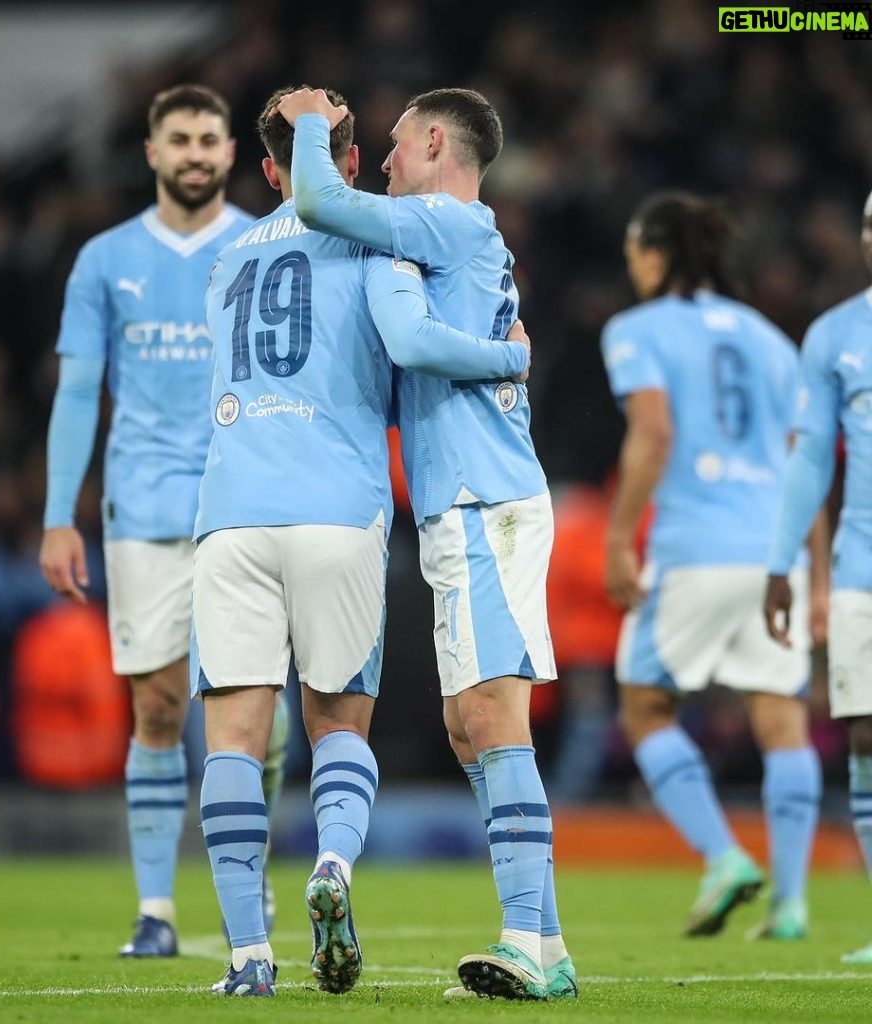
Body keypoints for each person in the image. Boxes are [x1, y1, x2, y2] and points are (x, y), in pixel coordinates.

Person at [197, 85, 532, 999]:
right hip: (337, 509)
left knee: (232, 732)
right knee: (338, 723)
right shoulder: (380, 238)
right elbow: (407, 358)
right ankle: (334, 867)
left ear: (267, 171)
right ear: (345, 165)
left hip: (228, 512)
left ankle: (245, 956)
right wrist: (511, 355)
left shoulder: (225, 262)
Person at [280, 86, 576, 1002]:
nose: (389, 161)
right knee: (464, 723)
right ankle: (551, 946)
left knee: (491, 713)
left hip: (487, 501)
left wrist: (305, 125)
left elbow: (321, 204)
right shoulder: (447, 236)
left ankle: (524, 938)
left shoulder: (449, 220)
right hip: (461, 506)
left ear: (436, 140)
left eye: (399, 145)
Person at [38, 84, 290, 958]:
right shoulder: (105, 260)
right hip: (142, 503)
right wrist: (56, 515)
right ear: (151, 152)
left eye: (208, 139)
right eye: (177, 138)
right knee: (157, 704)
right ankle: (156, 909)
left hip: (245, 501)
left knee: (254, 712)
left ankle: (243, 880)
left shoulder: (264, 245)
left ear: (231, 154)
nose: (193, 153)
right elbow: (77, 390)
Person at [601, 191, 828, 940]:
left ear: (655, 254)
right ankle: (791, 904)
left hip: (696, 548)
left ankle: (724, 857)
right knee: (782, 716)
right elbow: (807, 461)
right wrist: (816, 576)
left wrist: (619, 537)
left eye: (635, 253)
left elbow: (654, 432)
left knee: (645, 706)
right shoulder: (772, 338)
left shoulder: (636, 329)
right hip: (775, 552)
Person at [765, 188, 872, 963]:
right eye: (867, 224)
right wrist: (783, 563)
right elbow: (810, 458)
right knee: (866, 736)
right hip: (861, 563)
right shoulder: (836, 336)